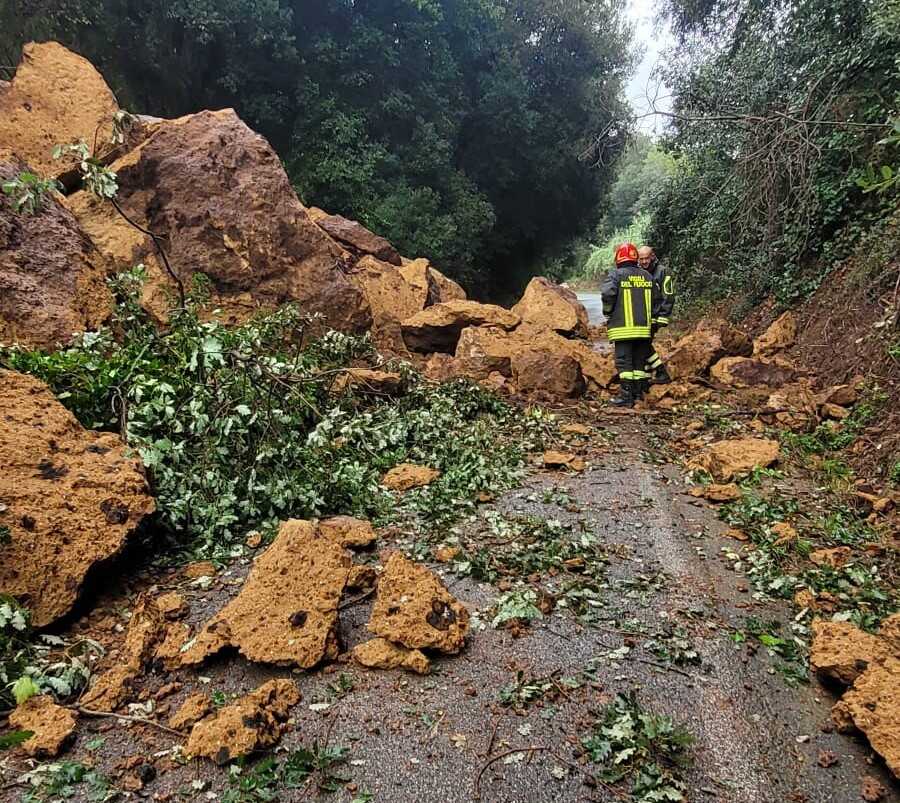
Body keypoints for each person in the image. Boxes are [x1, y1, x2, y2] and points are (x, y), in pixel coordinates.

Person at [601, 242, 659, 407]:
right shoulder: (648, 276)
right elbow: (657, 300)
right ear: (636, 258)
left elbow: (607, 294)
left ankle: (626, 396)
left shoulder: (615, 275)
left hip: (622, 329)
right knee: (639, 362)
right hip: (643, 330)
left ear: (618, 258)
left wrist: (607, 312)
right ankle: (639, 394)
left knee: (624, 362)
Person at [638, 245, 674, 384]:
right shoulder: (639, 272)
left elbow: (668, 295)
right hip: (642, 317)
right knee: (644, 345)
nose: (644, 262)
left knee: (643, 345)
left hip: (655, 316)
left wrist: (663, 316)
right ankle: (647, 378)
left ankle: (661, 372)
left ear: (652, 256)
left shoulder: (663, 272)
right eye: (641, 259)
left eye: (646, 258)